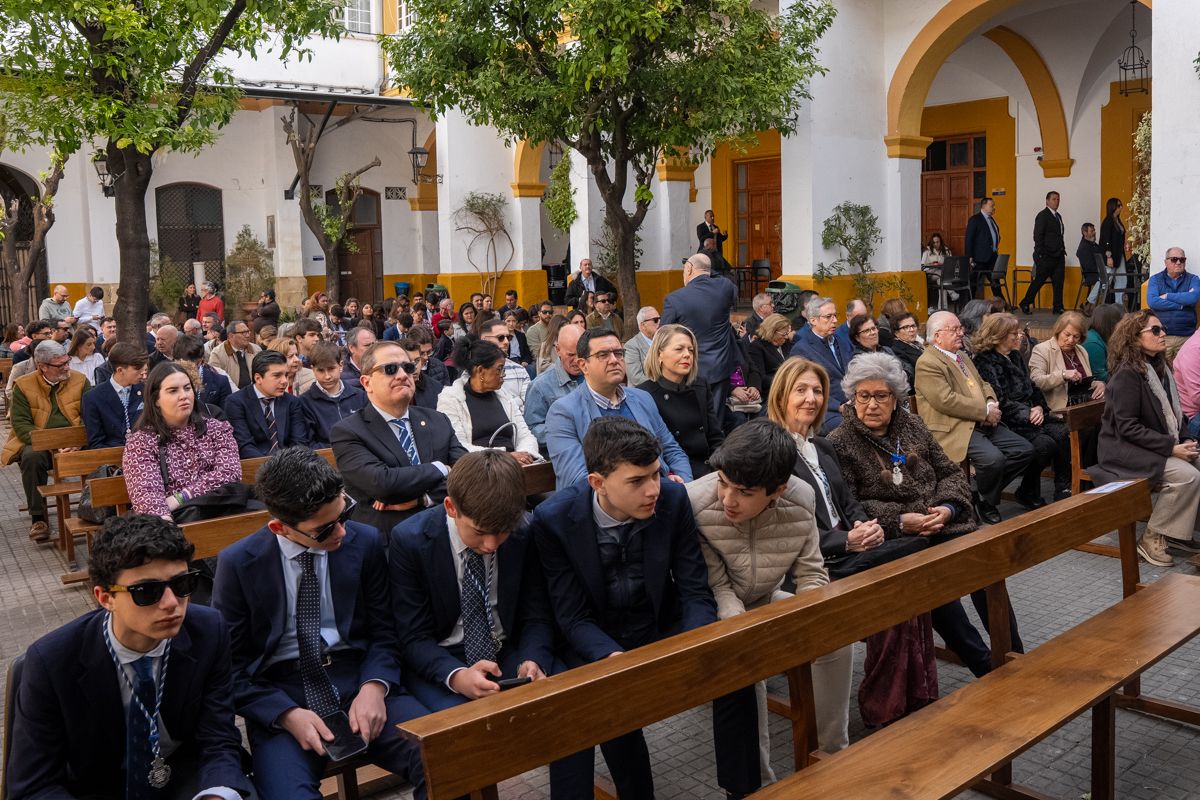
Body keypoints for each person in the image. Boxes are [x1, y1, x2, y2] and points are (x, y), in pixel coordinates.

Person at [531, 417, 760, 799]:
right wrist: (612, 656)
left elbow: (693, 589)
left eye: (655, 474)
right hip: (595, 640)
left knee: (733, 669)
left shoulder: (672, 499)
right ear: (597, 483)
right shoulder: (555, 519)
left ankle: (744, 791)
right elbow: (571, 614)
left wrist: (696, 642)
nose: (653, 489)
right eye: (637, 481)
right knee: (606, 703)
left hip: (658, 626)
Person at [212, 448, 428, 800]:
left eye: (345, 514)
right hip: (283, 694)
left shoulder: (365, 542)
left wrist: (376, 685)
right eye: (324, 529)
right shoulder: (238, 564)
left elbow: (385, 631)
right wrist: (284, 714)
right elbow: (229, 669)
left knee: (441, 755)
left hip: (357, 676)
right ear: (279, 527)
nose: (341, 532)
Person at [7, 514, 253, 800]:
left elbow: (218, 737)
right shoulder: (51, 661)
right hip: (96, 787)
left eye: (183, 584)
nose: (172, 603)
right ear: (104, 597)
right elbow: (34, 786)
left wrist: (217, 794)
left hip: (184, 776)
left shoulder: (209, 632)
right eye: (147, 591)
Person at [825, 352, 1013, 682]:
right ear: (852, 399)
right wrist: (900, 519)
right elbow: (850, 505)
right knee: (934, 588)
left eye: (880, 396)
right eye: (863, 396)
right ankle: (989, 668)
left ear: (896, 400)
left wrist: (948, 508)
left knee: (987, 565)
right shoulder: (839, 442)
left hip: (944, 522)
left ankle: (1015, 655)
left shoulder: (912, 425)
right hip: (900, 540)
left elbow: (950, 472)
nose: (871, 404)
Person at [688, 419, 851, 764]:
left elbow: (810, 572)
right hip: (720, 606)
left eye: (745, 493)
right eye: (723, 484)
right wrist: (752, 631)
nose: (728, 499)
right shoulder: (697, 504)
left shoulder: (800, 497)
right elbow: (717, 586)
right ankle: (759, 778)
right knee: (751, 655)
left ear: (777, 490)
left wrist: (809, 619)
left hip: (766, 597)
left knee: (835, 636)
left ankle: (831, 753)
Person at [387, 451, 562, 730]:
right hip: (443, 657)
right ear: (450, 507)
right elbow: (413, 636)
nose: (492, 544)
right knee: (466, 733)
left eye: (502, 531)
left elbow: (537, 613)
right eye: (480, 531)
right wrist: (455, 676)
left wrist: (533, 658)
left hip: (507, 650)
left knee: (567, 708)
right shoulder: (411, 541)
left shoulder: (523, 531)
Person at [1094, 312, 1200, 565]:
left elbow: (1177, 415)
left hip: (1152, 444)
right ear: (1134, 338)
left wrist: (1185, 439)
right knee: (1187, 475)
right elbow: (1127, 427)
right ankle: (1151, 538)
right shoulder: (1127, 375)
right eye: (1155, 330)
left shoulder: (1160, 368)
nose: (1163, 333)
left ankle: (1177, 535)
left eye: (1162, 329)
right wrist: (1171, 448)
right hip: (1125, 451)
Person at [332, 341, 467, 536]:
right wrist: (441, 468)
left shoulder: (437, 420)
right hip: (388, 538)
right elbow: (384, 483)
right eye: (390, 369)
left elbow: (467, 475)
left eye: (409, 367)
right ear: (366, 382)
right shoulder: (348, 431)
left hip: (444, 529)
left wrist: (424, 499)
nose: (403, 375)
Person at [914, 311, 1033, 525]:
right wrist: (984, 411)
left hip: (979, 421)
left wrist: (989, 402)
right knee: (993, 460)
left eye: (961, 328)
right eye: (955, 329)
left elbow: (984, 384)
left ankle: (980, 493)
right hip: (955, 427)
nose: (962, 333)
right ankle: (985, 500)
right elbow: (946, 400)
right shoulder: (928, 362)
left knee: (1024, 450)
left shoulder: (963, 356)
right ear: (937, 335)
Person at [545, 328, 692, 489]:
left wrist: (684, 484)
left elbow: (672, 449)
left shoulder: (642, 398)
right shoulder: (564, 413)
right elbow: (578, 480)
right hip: (608, 507)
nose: (614, 360)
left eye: (619, 353)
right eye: (603, 355)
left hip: (663, 494)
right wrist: (660, 488)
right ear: (583, 365)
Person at [973, 314, 1072, 505]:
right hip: (1009, 420)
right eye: (1014, 333)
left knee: (1062, 433)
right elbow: (998, 399)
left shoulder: (1015, 356)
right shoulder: (985, 362)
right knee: (1044, 445)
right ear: (999, 336)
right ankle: (1027, 491)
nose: (1020, 336)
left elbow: (1031, 387)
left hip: (1031, 414)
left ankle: (1062, 487)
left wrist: (1039, 407)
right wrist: (1027, 413)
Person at [121, 362, 242, 518]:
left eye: (187, 388)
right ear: (156, 399)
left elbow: (230, 473)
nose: (184, 396)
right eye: (173, 391)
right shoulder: (142, 442)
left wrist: (182, 496)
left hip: (222, 512)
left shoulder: (216, 428)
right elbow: (148, 498)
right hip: (174, 522)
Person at [2, 341, 89, 541]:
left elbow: (90, 417)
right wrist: (53, 443)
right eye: (60, 365)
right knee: (31, 457)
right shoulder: (23, 386)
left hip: (76, 441)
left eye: (67, 361)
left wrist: (78, 441)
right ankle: (38, 518)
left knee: (105, 447)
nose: (67, 367)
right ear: (43, 367)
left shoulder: (80, 380)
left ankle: (102, 508)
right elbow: (21, 425)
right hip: (42, 445)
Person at [636, 324, 724, 479]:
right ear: (659, 354)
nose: (687, 355)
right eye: (679, 349)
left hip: (709, 469)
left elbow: (715, 437)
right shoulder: (643, 394)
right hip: (674, 476)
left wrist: (720, 468)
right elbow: (649, 449)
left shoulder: (700, 386)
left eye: (691, 350)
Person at [662, 252, 741, 417]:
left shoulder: (674, 299)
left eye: (684, 270)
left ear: (689, 269)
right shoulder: (725, 288)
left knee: (692, 416)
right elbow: (725, 281)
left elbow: (663, 335)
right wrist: (707, 268)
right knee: (716, 417)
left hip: (690, 368)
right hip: (720, 365)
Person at [437, 338, 539, 462]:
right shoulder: (451, 399)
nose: (503, 375)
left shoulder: (504, 396)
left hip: (516, 466)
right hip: (479, 469)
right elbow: (459, 447)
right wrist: (506, 457)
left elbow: (525, 435)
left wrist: (525, 454)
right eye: (499, 369)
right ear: (480, 371)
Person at [224, 350, 310, 457]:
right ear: (258, 378)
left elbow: (299, 442)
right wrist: (270, 468)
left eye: (285, 375)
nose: (284, 381)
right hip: (254, 466)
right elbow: (244, 445)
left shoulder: (292, 402)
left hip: (289, 465)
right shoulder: (236, 402)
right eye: (277, 376)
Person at [788, 295, 851, 432]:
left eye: (835, 315)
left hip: (852, 401)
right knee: (847, 428)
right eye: (828, 317)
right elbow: (803, 390)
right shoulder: (802, 349)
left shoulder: (841, 340)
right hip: (824, 408)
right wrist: (838, 405)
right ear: (813, 320)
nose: (835, 321)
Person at [525, 321, 584, 449]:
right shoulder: (540, 386)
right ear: (557, 350)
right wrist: (568, 435)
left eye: (581, 353)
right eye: (571, 355)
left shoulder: (595, 377)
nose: (577, 360)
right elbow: (533, 429)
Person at [82, 342, 148, 449]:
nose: (143, 374)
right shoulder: (93, 398)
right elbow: (96, 442)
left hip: (145, 454)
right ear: (120, 370)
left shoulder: (146, 390)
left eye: (145, 369)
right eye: (137, 369)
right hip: (111, 458)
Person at [300, 341, 366, 449]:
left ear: (341, 365)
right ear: (313, 369)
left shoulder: (359, 395)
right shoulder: (304, 402)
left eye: (331, 369)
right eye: (320, 370)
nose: (327, 376)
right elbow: (307, 443)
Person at [1147, 246, 1200, 359]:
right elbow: (1153, 302)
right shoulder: (1155, 279)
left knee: (1184, 373)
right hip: (1162, 337)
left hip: (1187, 337)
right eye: (1174, 259)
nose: (1178, 262)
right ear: (1165, 262)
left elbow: (1192, 298)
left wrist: (1167, 296)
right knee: (1162, 373)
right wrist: (1181, 304)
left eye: (1182, 259)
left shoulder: (1193, 279)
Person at [1020, 191, 1067, 315]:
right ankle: (1025, 303)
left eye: (1058, 199)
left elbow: (1059, 235)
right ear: (1047, 201)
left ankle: (1058, 306)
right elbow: (1037, 236)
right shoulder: (1042, 215)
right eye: (1053, 199)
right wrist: (1041, 254)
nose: (1056, 201)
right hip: (1046, 255)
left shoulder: (1059, 216)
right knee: (1039, 281)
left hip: (1059, 255)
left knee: (1058, 282)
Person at [848, 314, 911, 392]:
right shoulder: (858, 360)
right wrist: (897, 374)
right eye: (867, 331)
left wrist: (897, 375)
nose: (873, 333)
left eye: (874, 328)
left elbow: (908, 369)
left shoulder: (886, 350)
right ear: (857, 337)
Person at [174, 334, 234, 411]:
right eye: (183, 363)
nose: (188, 367)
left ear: (201, 360)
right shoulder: (165, 380)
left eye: (192, 362)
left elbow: (225, 416)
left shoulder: (220, 381)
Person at [477, 317, 530, 404]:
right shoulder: (473, 371)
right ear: (485, 340)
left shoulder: (520, 370)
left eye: (508, 337)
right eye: (500, 337)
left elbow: (529, 406)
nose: (506, 342)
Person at [964, 197, 1003, 300]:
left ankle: (1002, 305)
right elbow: (969, 239)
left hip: (992, 257)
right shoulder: (975, 219)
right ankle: (968, 305)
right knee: (973, 284)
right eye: (992, 206)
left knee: (995, 282)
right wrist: (969, 256)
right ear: (984, 206)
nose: (994, 208)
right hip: (979, 258)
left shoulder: (991, 219)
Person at [747, 313, 791, 401]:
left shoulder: (786, 344)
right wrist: (787, 381)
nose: (786, 337)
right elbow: (761, 377)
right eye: (783, 334)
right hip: (772, 393)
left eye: (787, 333)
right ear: (773, 331)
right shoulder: (757, 347)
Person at [208, 320, 261, 390]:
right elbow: (214, 379)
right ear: (231, 336)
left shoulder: (256, 349)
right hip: (229, 395)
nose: (248, 335)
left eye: (248, 332)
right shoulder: (217, 353)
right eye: (243, 333)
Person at [399, 336, 446, 410]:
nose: (415, 367)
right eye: (408, 362)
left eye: (417, 360)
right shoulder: (390, 389)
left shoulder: (437, 389)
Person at [1082, 303, 1123, 385]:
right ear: (1110, 323)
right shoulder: (1093, 343)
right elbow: (1100, 376)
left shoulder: (1101, 336)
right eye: (1117, 322)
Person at [1099, 197, 1128, 308]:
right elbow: (1106, 240)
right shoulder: (1108, 221)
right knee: (1106, 281)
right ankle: (1091, 302)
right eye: (1118, 205)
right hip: (1112, 256)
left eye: (1121, 205)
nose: (1121, 207)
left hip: (1119, 255)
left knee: (1122, 279)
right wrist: (1108, 256)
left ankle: (1119, 306)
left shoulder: (1117, 221)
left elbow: (1119, 238)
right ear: (1113, 207)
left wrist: (1125, 243)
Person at [623, 306, 661, 386]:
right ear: (643, 325)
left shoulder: (663, 341)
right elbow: (636, 377)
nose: (659, 322)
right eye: (655, 320)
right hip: (642, 393)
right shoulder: (631, 346)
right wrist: (663, 383)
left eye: (660, 318)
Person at [1076, 223, 1105, 314]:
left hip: (1096, 272)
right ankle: (1090, 305)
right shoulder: (1084, 247)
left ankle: (1091, 304)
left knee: (1108, 278)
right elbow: (1089, 266)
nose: (1094, 233)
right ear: (1085, 233)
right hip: (1091, 275)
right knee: (1105, 280)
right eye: (1092, 231)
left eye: (1094, 230)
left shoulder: (1093, 245)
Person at [888, 312, 923, 377]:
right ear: (896, 332)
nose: (912, 330)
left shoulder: (919, 344)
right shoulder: (896, 351)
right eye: (906, 327)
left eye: (913, 326)